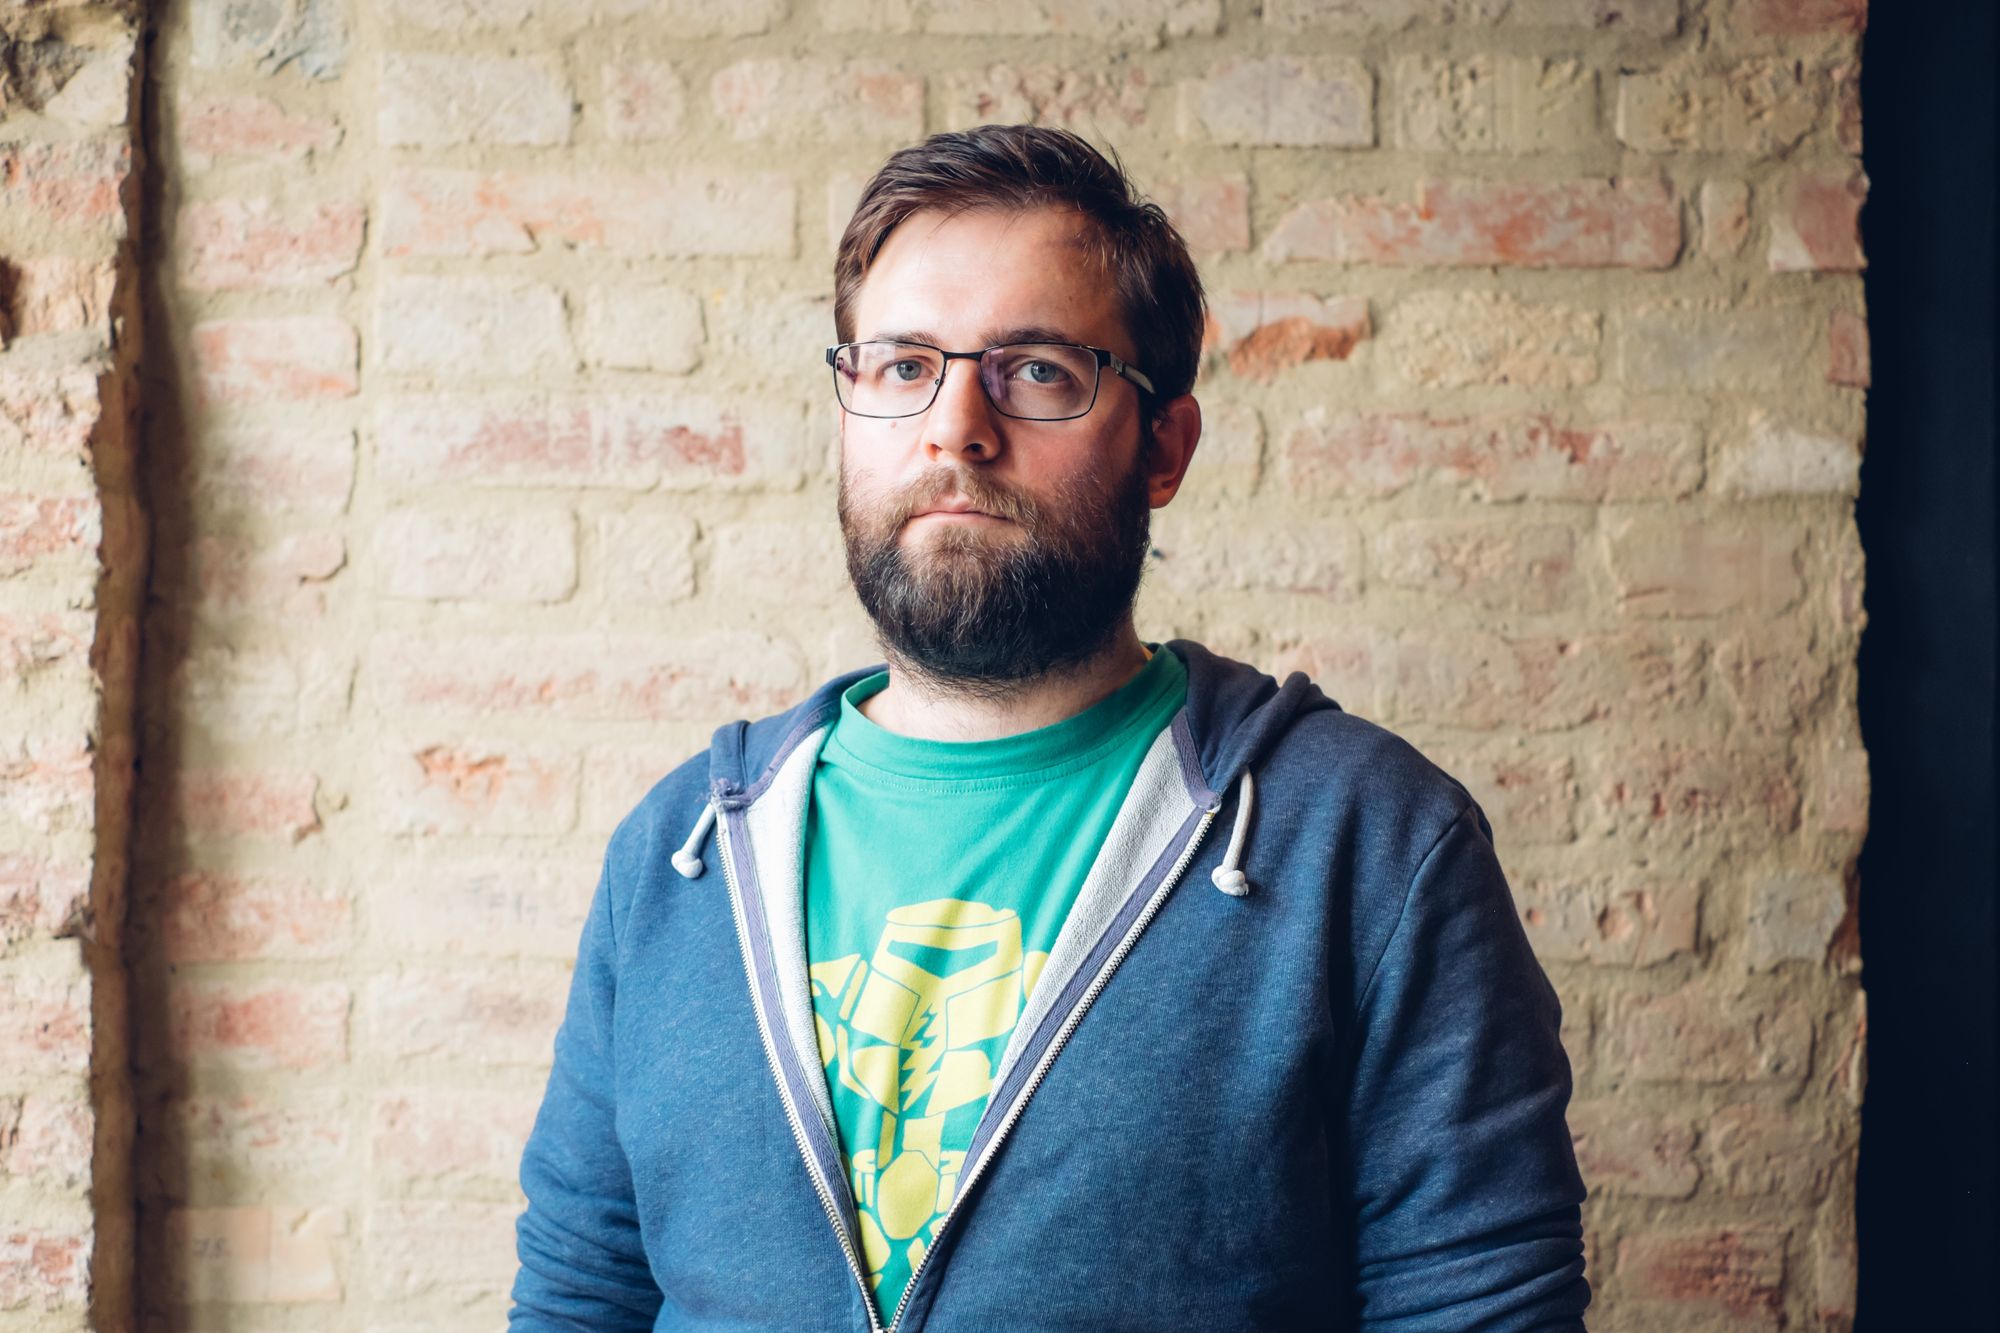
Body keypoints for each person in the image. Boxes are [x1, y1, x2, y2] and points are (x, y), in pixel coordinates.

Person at [509, 124, 1589, 1332]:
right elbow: (580, 1295)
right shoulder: (680, 857)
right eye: (901, 365)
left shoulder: (1366, 843)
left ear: (1162, 446)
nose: (954, 427)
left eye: (1034, 370)